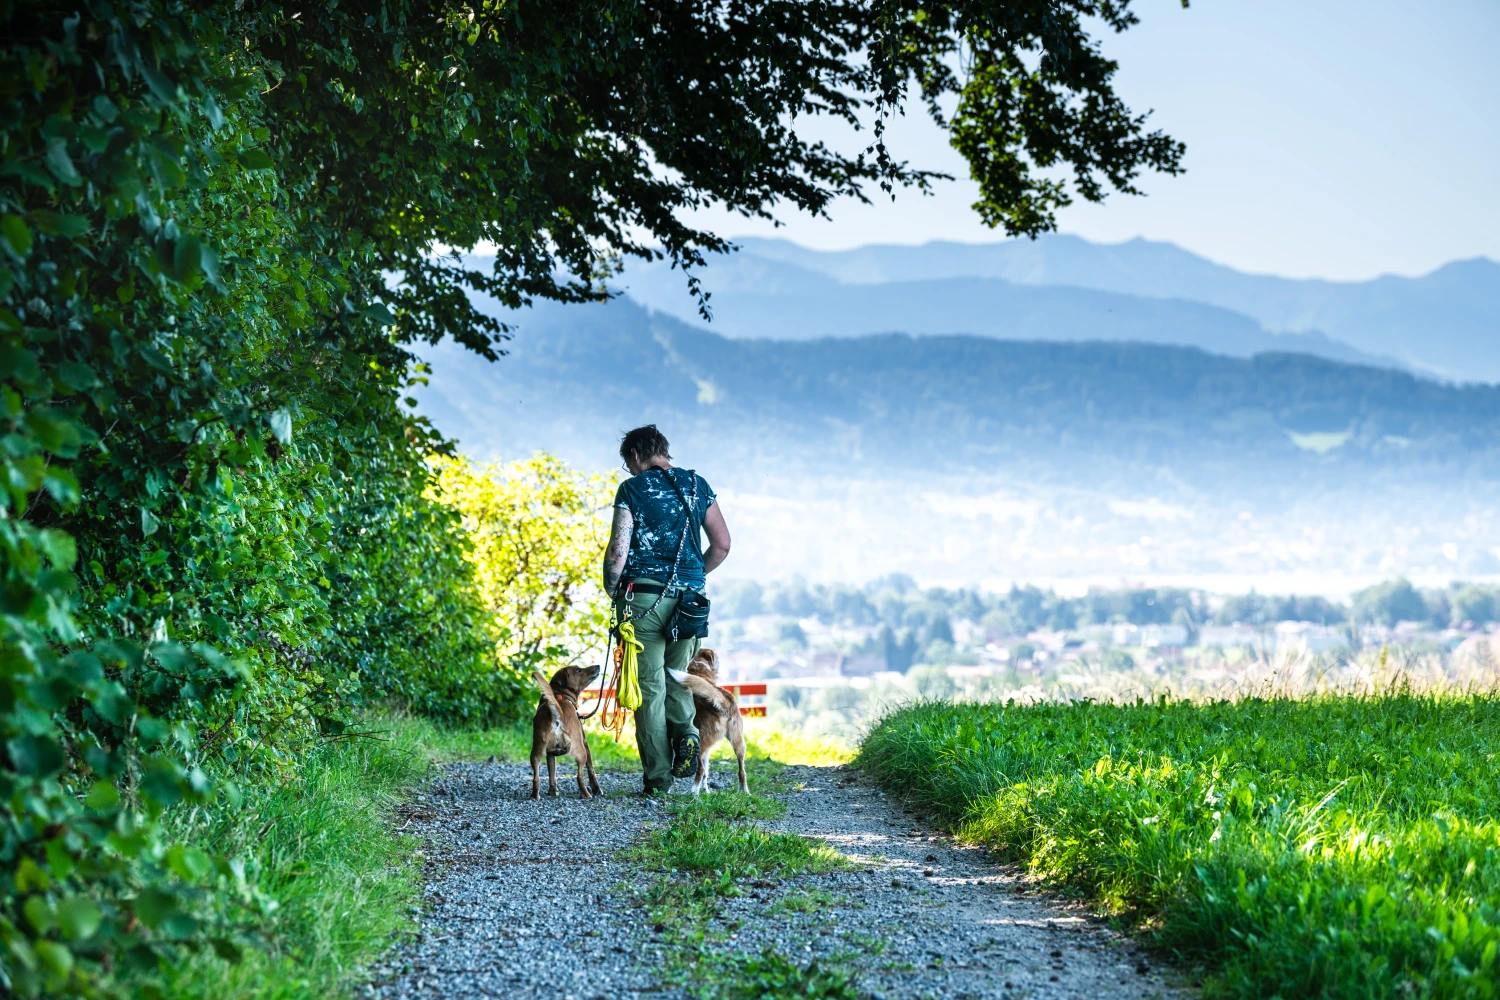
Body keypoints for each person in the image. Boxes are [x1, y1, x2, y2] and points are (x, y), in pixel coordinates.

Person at [603, 425, 731, 795]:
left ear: (638, 455)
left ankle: (658, 779)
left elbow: (617, 552)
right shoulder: (698, 486)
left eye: (629, 463)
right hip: (690, 603)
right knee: (679, 678)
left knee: (649, 689)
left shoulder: (632, 490)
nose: (630, 471)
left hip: (643, 600)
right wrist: (691, 578)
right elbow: (721, 545)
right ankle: (688, 736)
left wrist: (613, 588)